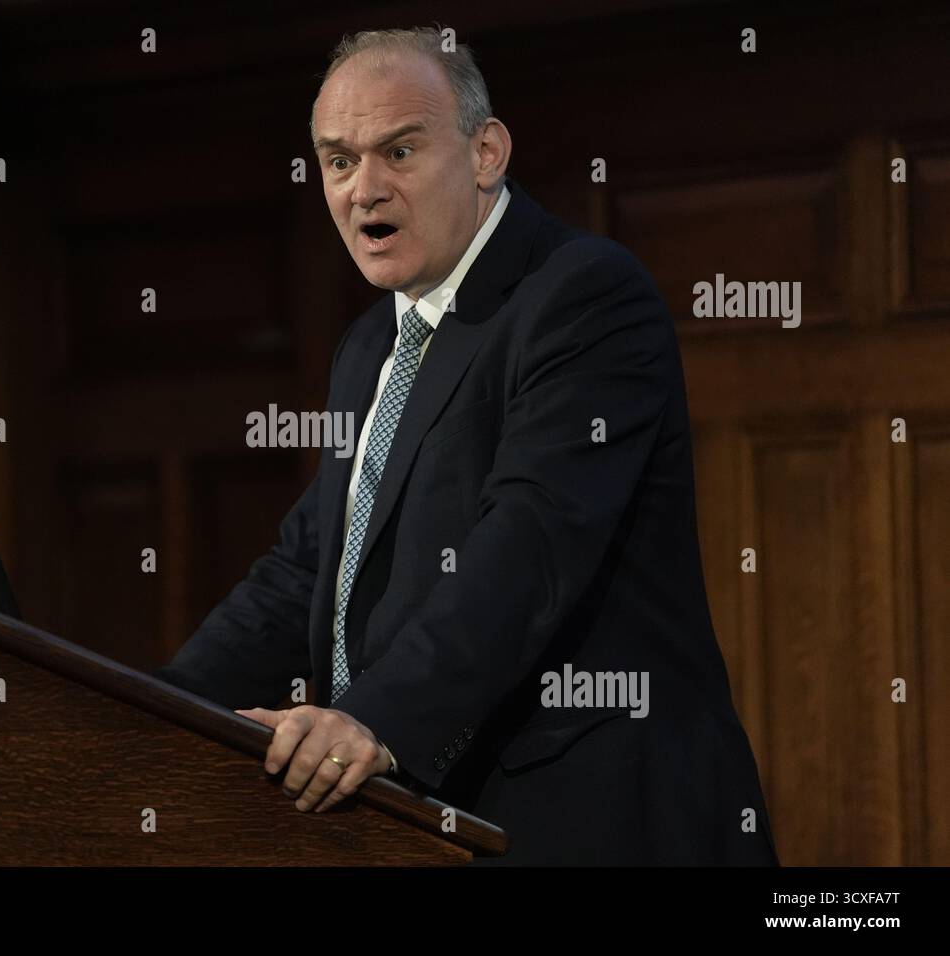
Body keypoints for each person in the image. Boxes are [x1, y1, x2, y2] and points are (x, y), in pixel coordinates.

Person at [154, 26, 778, 865]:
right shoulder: (372, 345)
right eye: (338, 162)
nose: (362, 189)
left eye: (399, 151)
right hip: (433, 824)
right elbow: (307, 570)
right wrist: (151, 711)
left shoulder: (583, 297)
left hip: (596, 818)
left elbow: (531, 542)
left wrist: (376, 717)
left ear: (486, 152)